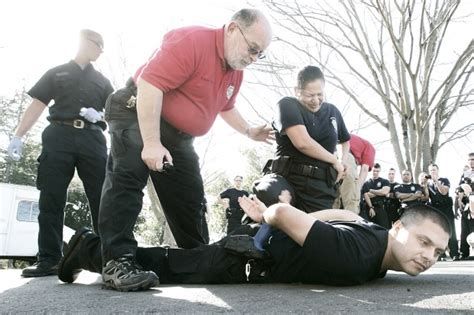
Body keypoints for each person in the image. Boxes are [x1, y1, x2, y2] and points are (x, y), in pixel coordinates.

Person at [97, 8, 274, 291]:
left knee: (189, 198)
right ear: (231, 29)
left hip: (179, 137)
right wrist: (152, 143)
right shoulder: (193, 41)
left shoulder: (234, 72)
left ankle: (202, 258)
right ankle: (117, 261)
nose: (253, 58)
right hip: (136, 110)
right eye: (253, 48)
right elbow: (151, 84)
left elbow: (225, 106)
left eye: (260, 54)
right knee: (127, 176)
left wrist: (249, 131)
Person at [57, 176, 450, 288]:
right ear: (398, 227)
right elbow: (281, 210)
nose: (429, 257)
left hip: (258, 251)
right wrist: (268, 223)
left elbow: (338, 212)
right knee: (165, 266)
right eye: (424, 242)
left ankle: (90, 247)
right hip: (240, 262)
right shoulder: (356, 255)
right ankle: (87, 248)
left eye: (437, 252)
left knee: (170, 260)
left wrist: (302, 223)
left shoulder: (374, 234)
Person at [7, 30, 113, 278]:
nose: (100, 51)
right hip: (59, 136)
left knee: (102, 199)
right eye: (99, 46)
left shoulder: (103, 81)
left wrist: (100, 116)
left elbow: (115, 113)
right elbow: (38, 104)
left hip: (92, 139)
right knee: (51, 198)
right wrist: (18, 135)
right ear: (86, 43)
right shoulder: (56, 72)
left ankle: (106, 258)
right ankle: (49, 260)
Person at [270, 66, 350, 213]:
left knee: (318, 232)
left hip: (322, 188)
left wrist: (343, 161)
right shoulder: (287, 105)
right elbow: (302, 143)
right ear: (296, 91)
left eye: (320, 94)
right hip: (290, 183)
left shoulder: (333, 111)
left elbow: (345, 140)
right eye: (310, 95)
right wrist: (334, 160)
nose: (315, 100)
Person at [333, 134, 375, 213]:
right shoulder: (370, 147)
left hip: (331, 154)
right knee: (351, 199)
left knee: (333, 199)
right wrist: (357, 188)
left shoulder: (346, 134)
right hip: (347, 157)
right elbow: (365, 169)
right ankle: (351, 223)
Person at [427, 163, 460, 260]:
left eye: (434, 170)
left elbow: (444, 192)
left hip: (446, 208)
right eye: (431, 170)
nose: (433, 172)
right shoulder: (428, 184)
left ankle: (454, 253)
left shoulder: (444, 180)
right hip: (435, 209)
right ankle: (440, 254)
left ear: (438, 170)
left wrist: (436, 180)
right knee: (438, 232)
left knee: (451, 231)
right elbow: (425, 196)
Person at [361, 163, 391, 228]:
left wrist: (371, 190)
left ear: (379, 171)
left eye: (377, 171)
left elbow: (385, 192)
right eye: (374, 171)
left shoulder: (384, 181)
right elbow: (366, 195)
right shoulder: (366, 183)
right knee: (369, 228)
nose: (375, 172)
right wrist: (379, 192)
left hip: (380, 208)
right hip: (369, 208)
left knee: (384, 229)